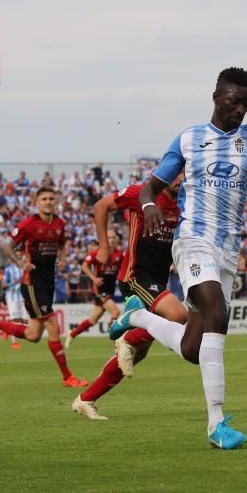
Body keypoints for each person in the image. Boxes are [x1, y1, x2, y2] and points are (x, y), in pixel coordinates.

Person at [106, 66, 247, 449]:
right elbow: (151, 188)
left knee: (193, 348)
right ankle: (216, 423)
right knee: (216, 313)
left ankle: (135, 316)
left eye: (246, 104)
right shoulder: (190, 139)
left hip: (228, 250)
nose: (240, 109)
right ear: (217, 97)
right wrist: (151, 206)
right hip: (193, 239)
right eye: (234, 101)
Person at [70, 175, 187, 420]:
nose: (182, 178)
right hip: (135, 277)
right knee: (178, 315)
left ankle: (86, 399)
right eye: (177, 172)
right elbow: (101, 206)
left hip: (157, 281)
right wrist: (104, 246)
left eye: (185, 173)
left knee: (139, 352)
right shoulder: (140, 194)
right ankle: (128, 331)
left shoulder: (185, 201)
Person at [0, 186, 88, 388]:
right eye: (44, 199)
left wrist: (61, 260)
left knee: (33, 335)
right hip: (32, 283)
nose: (49, 201)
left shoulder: (59, 223)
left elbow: (62, 244)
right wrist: (21, 263)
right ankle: (68, 377)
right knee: (53, 325)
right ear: (36, 202)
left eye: (52, 198)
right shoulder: (28, 225)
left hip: (48, 282)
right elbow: (8, 246)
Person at [67, 233, 123, 342]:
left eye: (113, 238)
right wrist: (94, 279)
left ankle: (72, 334)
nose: (111, 240)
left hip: (109, 290)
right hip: (99, 290)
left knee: (92, 321)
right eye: (109, 238)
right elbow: (84, 266)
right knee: (115, 312)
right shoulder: (97, 253)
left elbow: (122, 270)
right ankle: (116, 342)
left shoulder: (119, 255)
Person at [1, 261, 27, 349]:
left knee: (25, 320)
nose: (19, 258)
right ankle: (14, 342)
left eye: (21, 256)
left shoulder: (25, 268)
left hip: (23, 296)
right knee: (16, 320)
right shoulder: (9, 269)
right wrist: (13, 283)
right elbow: (3, 285)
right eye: (17, 255)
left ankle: (7, 329)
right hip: (12, 297)